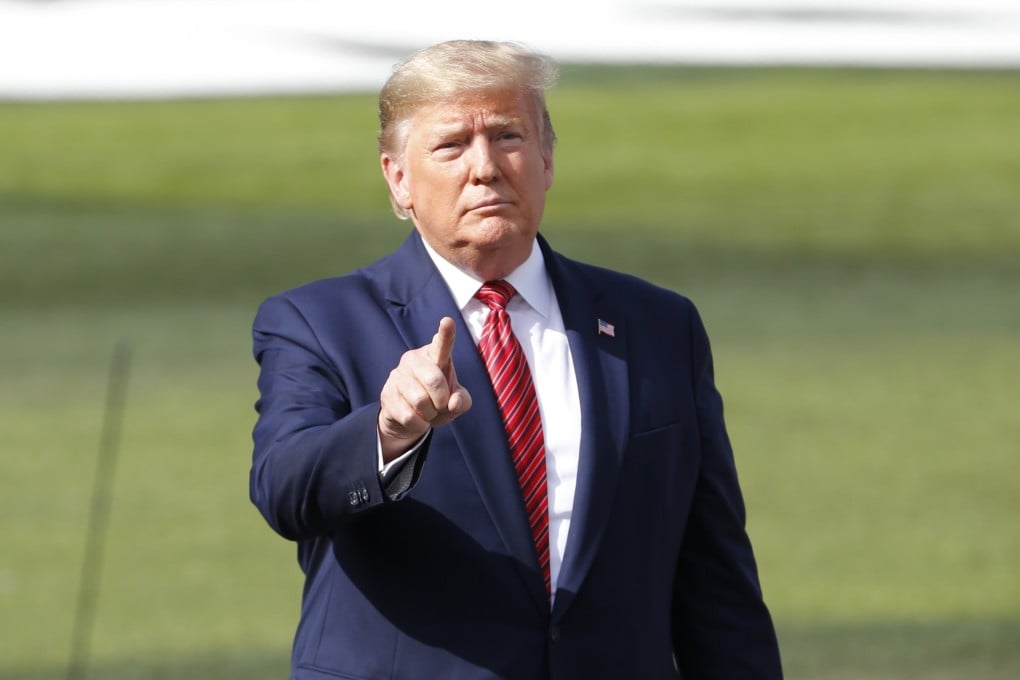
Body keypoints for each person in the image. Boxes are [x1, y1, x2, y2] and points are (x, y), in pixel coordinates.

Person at [250, 39, 782, 679]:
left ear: (547, 158)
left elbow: (716, 581)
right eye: (451, 146)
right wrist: (386, 434)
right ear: (398, 179)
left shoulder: (659, 327)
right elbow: (284, 487)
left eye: (508, 136)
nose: (485, 167)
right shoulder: (319, 322)